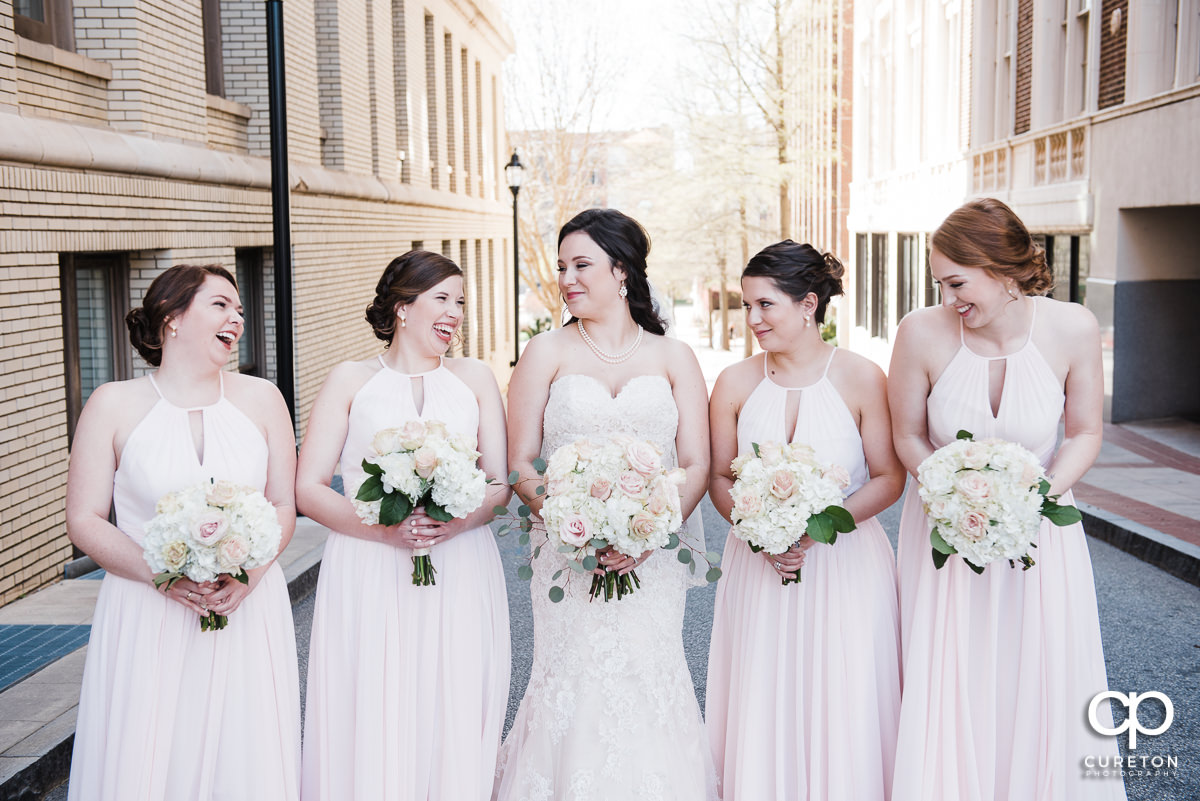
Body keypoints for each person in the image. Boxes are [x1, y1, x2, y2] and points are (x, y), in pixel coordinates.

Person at [888, 198, 1127, 801]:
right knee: (952, 673)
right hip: (944, 529)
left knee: (1040, 671)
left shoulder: (1072, 326)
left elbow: (1085, 432)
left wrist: (1035, 497)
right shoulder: (921, 332)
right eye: (941, 283)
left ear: (1001, 267)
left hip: (1040, 530)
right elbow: (908, 436)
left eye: (958, 281)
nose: (949, 298)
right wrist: (949, 488)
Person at [494, 209, 717, 800]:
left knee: (650, 676)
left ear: (622, 270)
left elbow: (696, 464)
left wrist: (647, 534)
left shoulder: (675, 358)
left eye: (580, 264)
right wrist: (579, 533)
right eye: (562, 266)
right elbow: (521, 464)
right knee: (571, 676)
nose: (566, 277)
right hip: (567, 550)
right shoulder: (543, 352)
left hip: (655, 555)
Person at [65, 264, 301, 800]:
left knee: (244, 752)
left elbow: (283, 504)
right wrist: (162, 577)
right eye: (221, 305)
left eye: (239, 309)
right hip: (148, 609)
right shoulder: (113, 404)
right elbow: (82, 517)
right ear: (173, 318)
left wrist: (251, 576)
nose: (236, 317)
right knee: (149, 753)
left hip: (246, 607)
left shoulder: (264, 399)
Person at [297, 251, 511, 800]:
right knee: (376, 693)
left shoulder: (475, 378)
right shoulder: (351, 379)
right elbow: (309, 487)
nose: (455, 312)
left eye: (460, 301)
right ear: (402, 308)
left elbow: (498, 482)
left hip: (459, 561)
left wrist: (458, 524)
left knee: (454, 691)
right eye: (442, 298)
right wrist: (385, 532)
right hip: (369, 564)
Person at [704, 241, 904, 801]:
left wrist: (817, 528)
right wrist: (759, 532)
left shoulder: (863, 377)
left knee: (842, 693)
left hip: (845, 564)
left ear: (809, 303)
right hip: (757, 562)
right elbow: (721, 478)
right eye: (747, 306)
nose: (752, 320)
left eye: (765, 305)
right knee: (764, 691)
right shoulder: (735, 383)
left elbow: (889, 477)